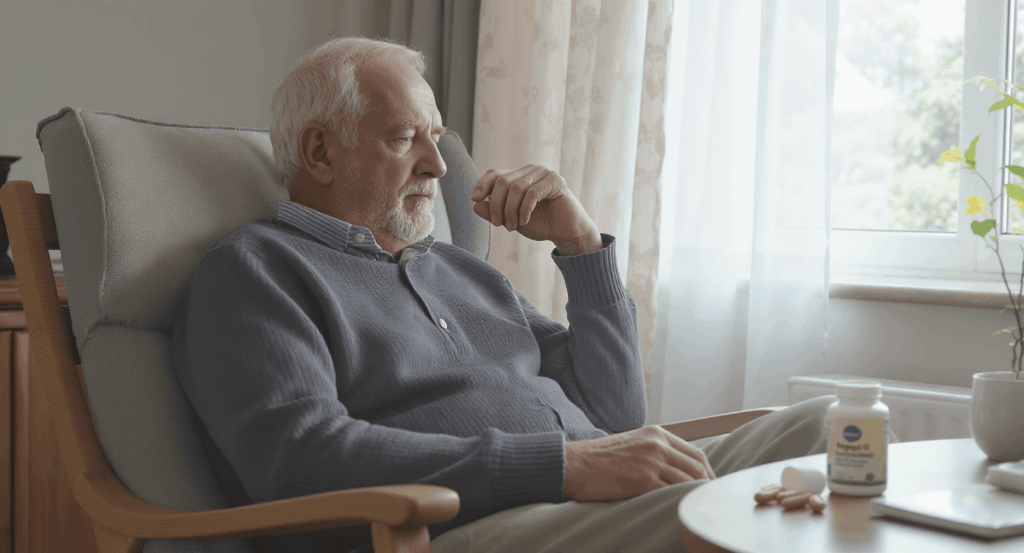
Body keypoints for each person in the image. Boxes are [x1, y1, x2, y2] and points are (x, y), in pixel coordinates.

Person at [171, 36, 858, 553]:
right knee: (748, 522)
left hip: (582, 500)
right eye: (407, 138)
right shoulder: (254, 271)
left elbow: (614, 415)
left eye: (436, 140)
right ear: (319, 153)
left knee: (827, 423)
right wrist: (559, 466)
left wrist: (583, 246)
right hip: (472, 526)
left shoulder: (462, 271)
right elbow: (299, 457)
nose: (437, 168)